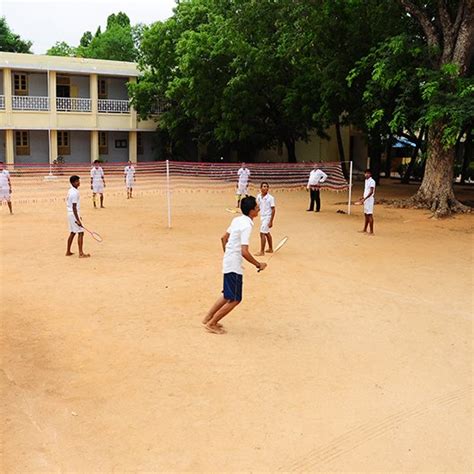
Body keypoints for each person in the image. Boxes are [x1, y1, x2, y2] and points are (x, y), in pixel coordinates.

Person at [202, 196, 267, 334]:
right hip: (234, 264)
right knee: (236, 299)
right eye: (257, 207)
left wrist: (228, 253)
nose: (259, 209)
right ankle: (211, 323)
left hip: (228, 260)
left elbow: (223, 238)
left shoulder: (237, 220)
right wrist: (258, 264)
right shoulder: (247, 225)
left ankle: (208, 318)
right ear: (251, 211)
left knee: (227, 295)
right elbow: (244, 251)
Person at [66, 175, 90, 258]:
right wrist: (78, 219)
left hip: (70, 214)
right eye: (77, 181)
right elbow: (74, 207)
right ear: (73, 182)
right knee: (81, 233)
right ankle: (81, 253)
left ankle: (68, 251)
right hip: (74, 214)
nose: (79, 183)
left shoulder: (70, 190)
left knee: (72, 232)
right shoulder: (75, 193)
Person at [256, 182, 276, 256]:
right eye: (264, 186)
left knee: (262, 233)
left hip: (268, 217)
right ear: (260, 188)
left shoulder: (271, 198)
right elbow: (258, 207)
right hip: (262, 217)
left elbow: (273, 209)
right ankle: (270, 248)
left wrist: (271, 221)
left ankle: (262, 251)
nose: (265, 188)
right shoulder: (258, 196)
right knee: (267, 233)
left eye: (266, 187)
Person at [359, 169, 376, 235]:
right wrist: (363, 197)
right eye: (366, 173)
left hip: (369, 200)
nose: (366, 174)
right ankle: (365, 229)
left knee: (369, 214)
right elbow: (366, 191)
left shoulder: (372, 181)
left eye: (368, 173)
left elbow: (371, 192)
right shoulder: (366, 181)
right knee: (366, 214)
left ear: (370, 174)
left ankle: (371, 231)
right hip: (366, 199)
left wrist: (365, 198)